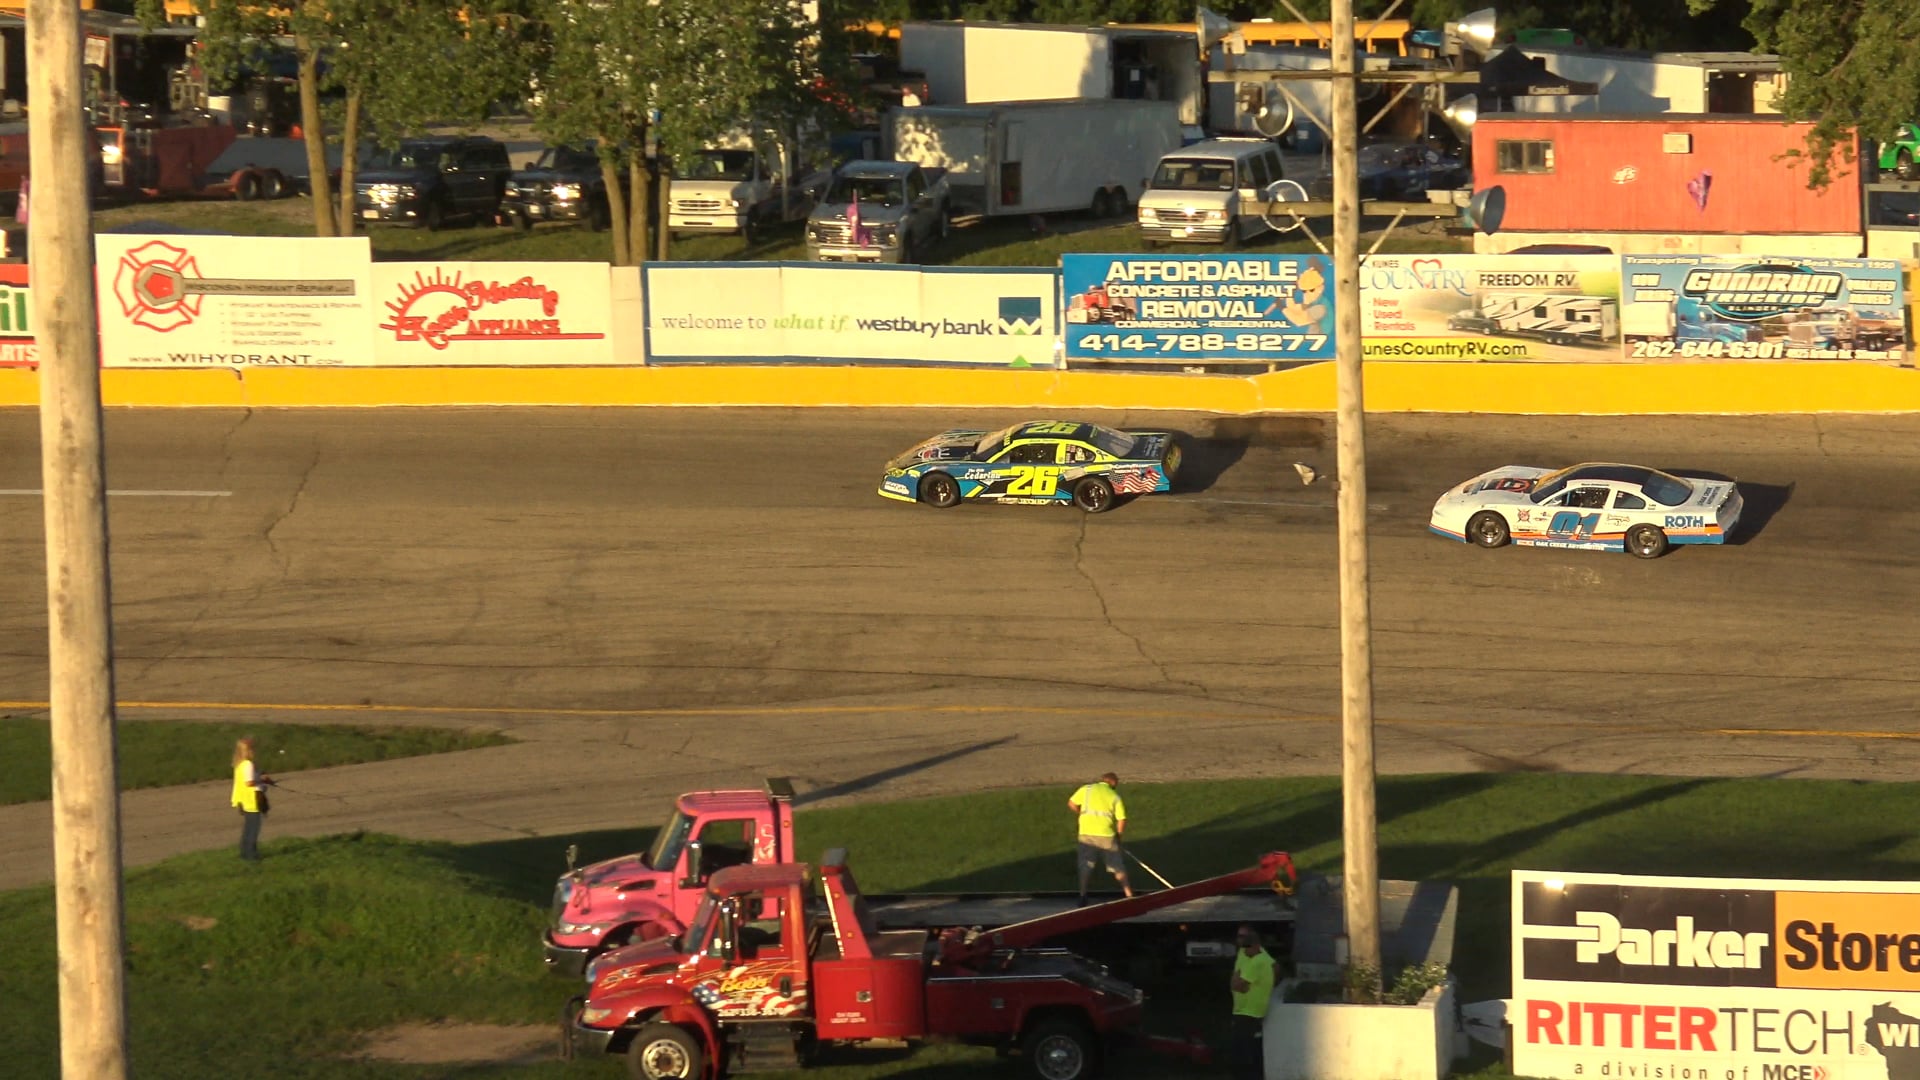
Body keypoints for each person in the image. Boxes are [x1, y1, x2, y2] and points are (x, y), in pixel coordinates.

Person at [1067, 772, 1132, 904]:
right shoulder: (1114, 796)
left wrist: (1082, 814)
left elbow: (1071, 804)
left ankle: (1083, 895)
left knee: (1085, 865)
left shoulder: (1086, 789)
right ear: (1113, 783)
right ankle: (1129, 895)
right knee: (1117, 866)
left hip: (1086, 833)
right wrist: (1119, 836)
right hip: (1106, 835)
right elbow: (1121, 819)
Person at [1229, 924, 1276, 1080]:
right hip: (1243, 1009)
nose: (1245, 950)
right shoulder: (1246, 954)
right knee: (1250, 1047)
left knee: (1243, 1050)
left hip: (1249, 1012)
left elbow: (1237, 985)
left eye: (1247, 945)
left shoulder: (1258, 960)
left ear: (1256, 946)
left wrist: (1238, 978)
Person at [231, 738, 273, 862]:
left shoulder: (239, 765)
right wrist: (262, 780)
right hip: (252, 799)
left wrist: (260, 774)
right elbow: (249, 782)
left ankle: (244, 852)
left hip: (244, 800)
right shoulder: (248, 765)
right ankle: (251, 855)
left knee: (248, 827)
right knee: (253, 829)